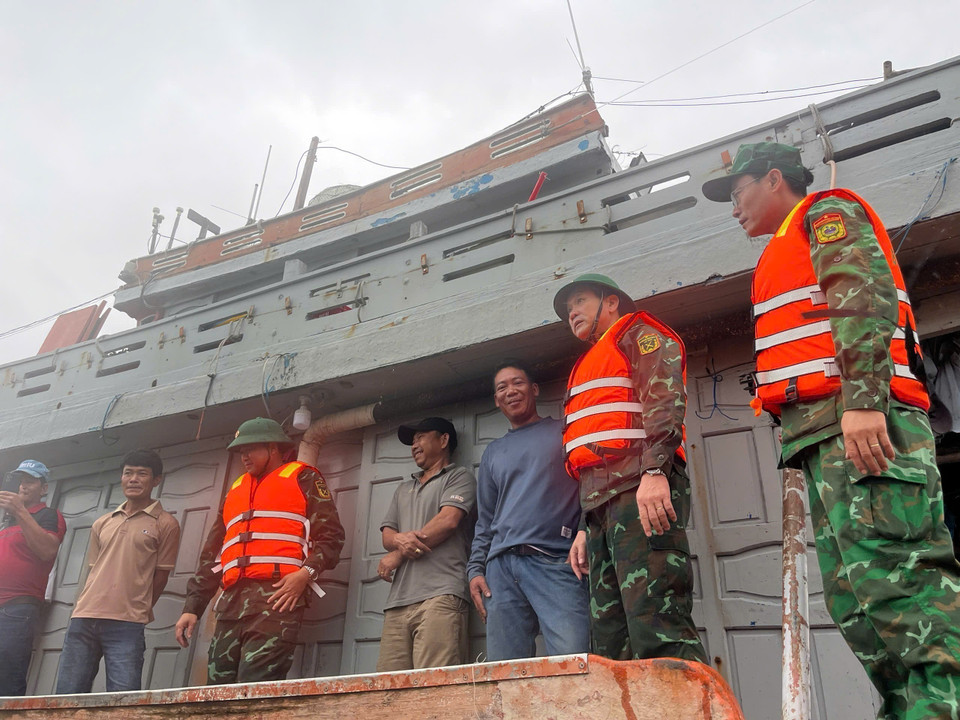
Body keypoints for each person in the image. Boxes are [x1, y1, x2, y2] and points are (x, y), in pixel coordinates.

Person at [702, 141, 960, 720]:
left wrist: (864, 401)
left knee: (906, 590)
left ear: (774, 179)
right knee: (861, 607)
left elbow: (861, 297)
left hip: (864, 425)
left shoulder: (825, 215)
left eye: (738, 192)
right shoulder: (783, 245)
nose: (733, 207)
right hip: (824, 439)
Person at [554, 274, 707, 663]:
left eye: (580, 301)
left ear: (611, 302)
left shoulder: (638, 333)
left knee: (657, 625)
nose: (572, 312)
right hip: (600, 508)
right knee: (610, 642)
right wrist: (586, 526)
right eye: (568, 308)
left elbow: (664, 400)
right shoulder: (588, 361)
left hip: (639, 490)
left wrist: (655, 472)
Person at [175, 417, 344, 684]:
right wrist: (192, 608)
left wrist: (306, 574)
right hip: (230, 606)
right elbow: (214, 556)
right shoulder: (236, 490)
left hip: (277, 600)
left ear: (273, 448)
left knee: (255, 691)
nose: (244, 456)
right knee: (216, 693)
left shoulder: (304, 477)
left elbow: (332, 538)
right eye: (241, 451)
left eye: (250, 449)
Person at [467, 360, 589, 660]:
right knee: (505, 672)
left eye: (517, 383)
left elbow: (592, 485)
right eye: (502, 388)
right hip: (501, 571)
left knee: (573, 661)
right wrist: (475, 570)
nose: (511, 391)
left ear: (534, 389)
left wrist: (585, 529)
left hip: (555, 560)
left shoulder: (565, 432)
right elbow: (486, 520)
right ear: (497, 401)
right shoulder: (493, 452)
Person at [55, 449, 179, 694]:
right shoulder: (103, 522)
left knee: (123, 699)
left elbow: (161, 576)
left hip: (127, 624)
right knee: (66, 697)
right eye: (128, 473)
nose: (133, 479)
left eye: (141, 473)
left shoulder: (166, 524)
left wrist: (138, 609)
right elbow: (92, 571)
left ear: (156, 480)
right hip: (83, 619)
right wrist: (79, 607)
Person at [376, 417, 476, 671]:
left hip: (441, 595)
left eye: (420, 436)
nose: (414, 444)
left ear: (443, 440)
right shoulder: (403, 489)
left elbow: (448, 521)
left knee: (434, 686)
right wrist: (399, 542)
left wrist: (398, 555)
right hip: (397, 602)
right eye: (412, 440)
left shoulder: (459, 477)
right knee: (388, 690)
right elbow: (387, 535)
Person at [0, 460, 66, 696]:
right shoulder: (6, 520)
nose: (22, 487)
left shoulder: (48, 515)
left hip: (17, 607)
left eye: (30, 481)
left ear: (44, 488)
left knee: (8, 674)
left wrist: (19, 510)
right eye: (20, 482)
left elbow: (47, 551)